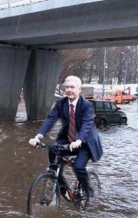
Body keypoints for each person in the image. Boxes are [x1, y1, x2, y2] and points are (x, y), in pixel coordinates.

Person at [28, 75, 103, 208]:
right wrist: (38, 136)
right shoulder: (61, 104)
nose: (69, 90)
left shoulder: (87, 105)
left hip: (85, 141)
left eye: (72, 87)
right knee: (54, 159)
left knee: (79, 167)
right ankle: (60, 185)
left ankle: (89, 191)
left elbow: (86, 124)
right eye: (66, 87)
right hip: (68, 138)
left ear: (79, 89)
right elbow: (50, 120)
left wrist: (79, 140)